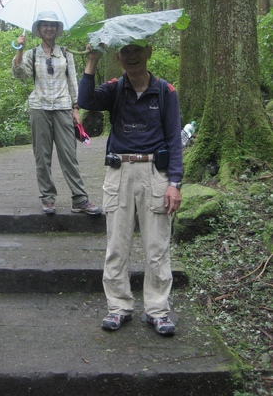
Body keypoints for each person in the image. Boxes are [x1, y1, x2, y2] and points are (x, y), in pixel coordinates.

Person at [77, 43, 182, 335]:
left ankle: (158, 310)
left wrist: (174, 183)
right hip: (119, 171)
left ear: (148, 52)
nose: (132, 56)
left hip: (155, 173)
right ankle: (118, 307)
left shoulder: (165, 91)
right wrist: (91, 62)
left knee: (157, 246)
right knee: (117, 245)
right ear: (118, 57)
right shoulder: (114, 89)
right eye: (126, 51)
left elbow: (174, 138)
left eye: (137, 50)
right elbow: (85, 100)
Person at [12, 10, 102, 216]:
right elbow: (19, 74)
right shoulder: (31, 54)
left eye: (53, 25)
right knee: (42, 156)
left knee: (69, 155)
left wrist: (76, 108)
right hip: (39, 107)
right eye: (45, 25)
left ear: (57, 29)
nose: (49, 28)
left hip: (62, 107)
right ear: (39, 29)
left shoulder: (66, 53)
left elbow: (72, 81)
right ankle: (48, 199)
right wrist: (19, 49)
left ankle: (79, 199)